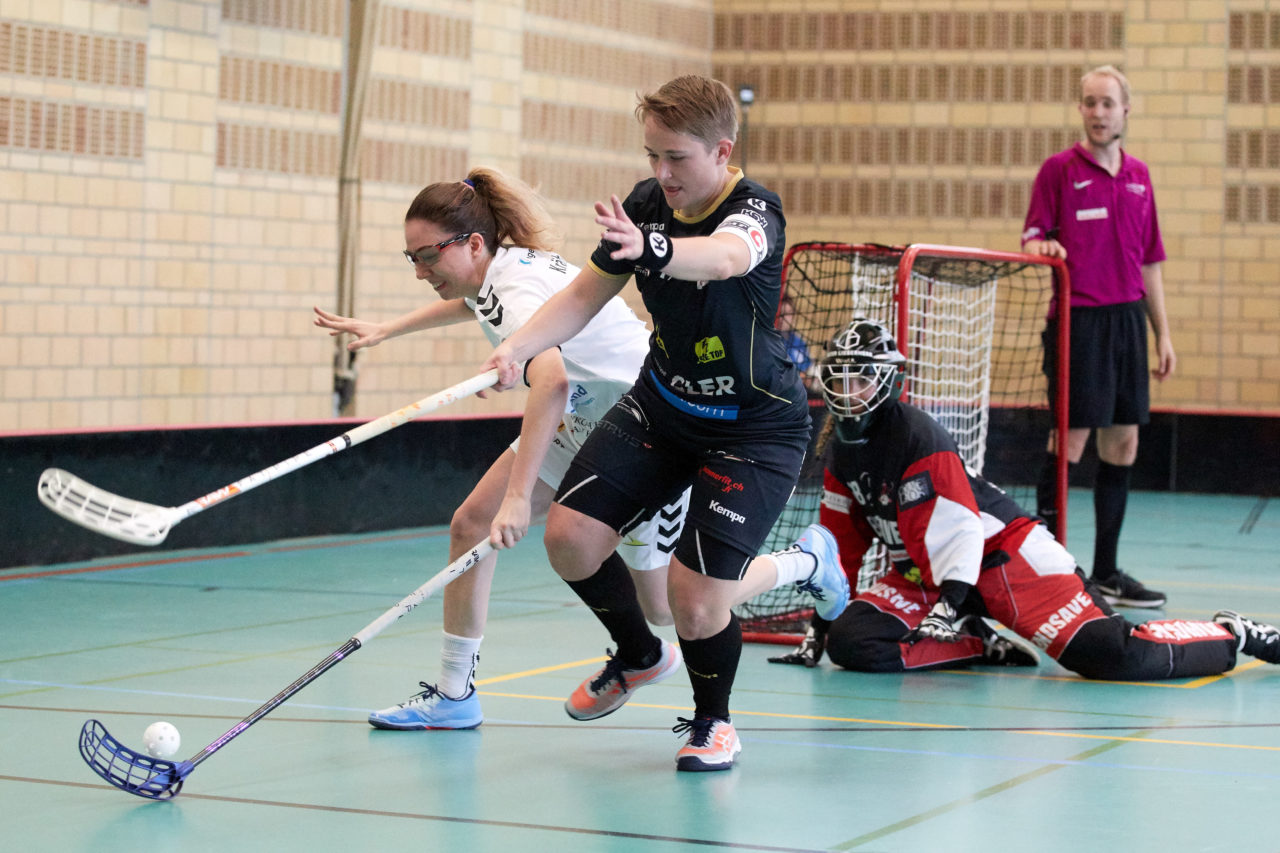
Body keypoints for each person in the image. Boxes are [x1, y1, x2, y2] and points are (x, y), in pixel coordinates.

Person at [314, 167, 845, 733]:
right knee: (472, 522)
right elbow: (476, 305)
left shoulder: (514, 283)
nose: (420, 272)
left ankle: (804, 561)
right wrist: (388, 328)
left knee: (671, 605)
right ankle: (454, 692)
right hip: (579, 421)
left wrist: (520, 498)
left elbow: (552, 382)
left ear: (473, 243)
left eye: (426, 257)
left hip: (639, 426)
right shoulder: (500, 272)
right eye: (411, 258)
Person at [480, 75, 849, 771]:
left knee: (694, 596)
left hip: (754, 429)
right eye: (652, 155)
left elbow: (724, 258)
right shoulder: (648, 204)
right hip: (663, 405)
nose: (660, 173)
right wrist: (518, 345)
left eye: (675, 157)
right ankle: (640, 655)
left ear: (721, 150)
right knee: (569, 537)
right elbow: (584, 294)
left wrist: (652, 250)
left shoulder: (754, 211)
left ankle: (715, 722)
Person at [775, 317, 1280, 682]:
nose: (849, 390)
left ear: (890, 381)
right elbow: (840, 550)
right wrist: (819, 630)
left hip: (1004, 559)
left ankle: (1233, 634)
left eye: (861, 378)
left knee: (1113, 657)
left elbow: (964, 532)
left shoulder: (919, 437)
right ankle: (976, 641)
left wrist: (949, 602)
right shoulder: (841, 448)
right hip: (929, 576)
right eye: (840, 378)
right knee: (854, 643)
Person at [1021, 64, 1174, 609]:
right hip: (1078, 322)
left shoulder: (1140, 176)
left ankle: (1106, 571)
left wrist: (1163, 335)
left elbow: (1151, 261)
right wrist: (1043, 249)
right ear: (1081, 110)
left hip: (1129, 320)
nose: (1098, 112)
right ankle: (1053, 572)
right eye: (1089, 102)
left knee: (1124, 443)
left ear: (1125, 110)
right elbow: (1034, 237)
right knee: (1071, 443)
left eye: (1107, 103)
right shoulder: (1058, 171)